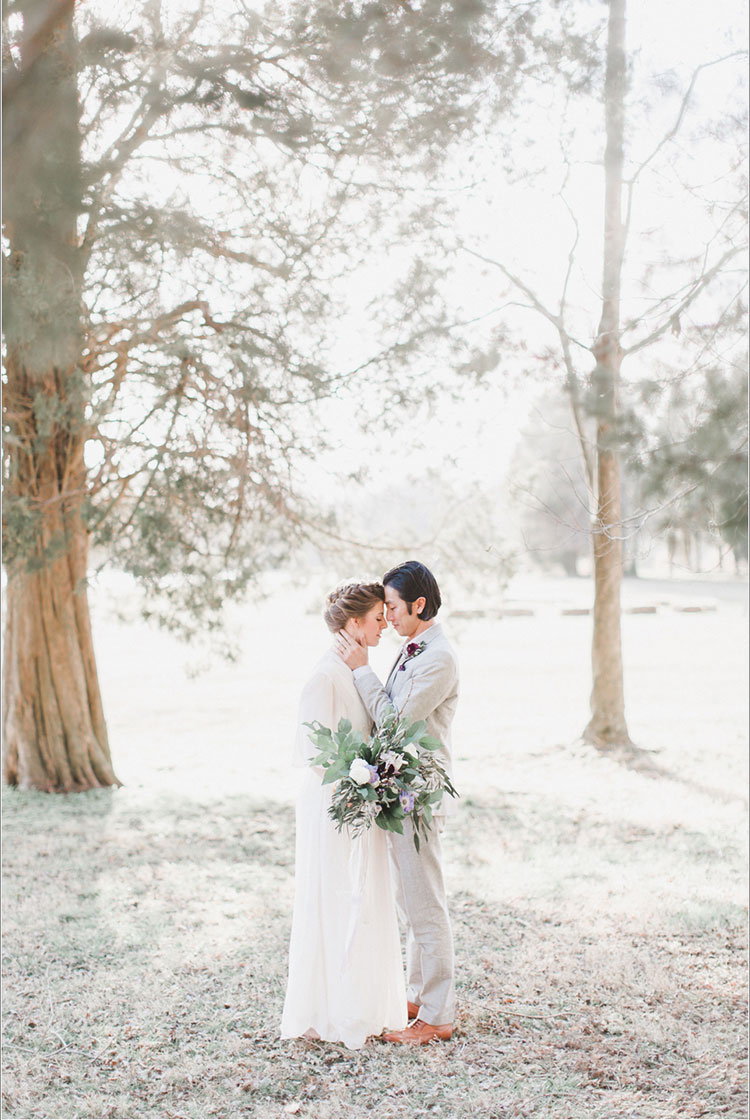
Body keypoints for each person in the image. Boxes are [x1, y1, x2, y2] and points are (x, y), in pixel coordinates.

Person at [335, 560, 459, 1045]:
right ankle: (418, 998)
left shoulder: (439, 658)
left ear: (419, 605)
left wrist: (361, 672)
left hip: (420, 796)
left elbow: (395, 723)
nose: (386, 617)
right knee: (412, 901)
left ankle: (438, 1015)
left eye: (392, 607)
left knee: (426, 906)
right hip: (399, 794)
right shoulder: (413, 650)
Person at [280, 582, 407, 1049]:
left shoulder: (355, 670)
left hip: (360, 803)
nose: (383, 626)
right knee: (333, 897)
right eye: (377, 618)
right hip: (333, 804)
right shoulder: (325, 676)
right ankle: (329, 1010)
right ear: (353, 623)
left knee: (362, 897)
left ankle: (362, 1003)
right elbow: (312, 751)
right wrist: (357, 780)